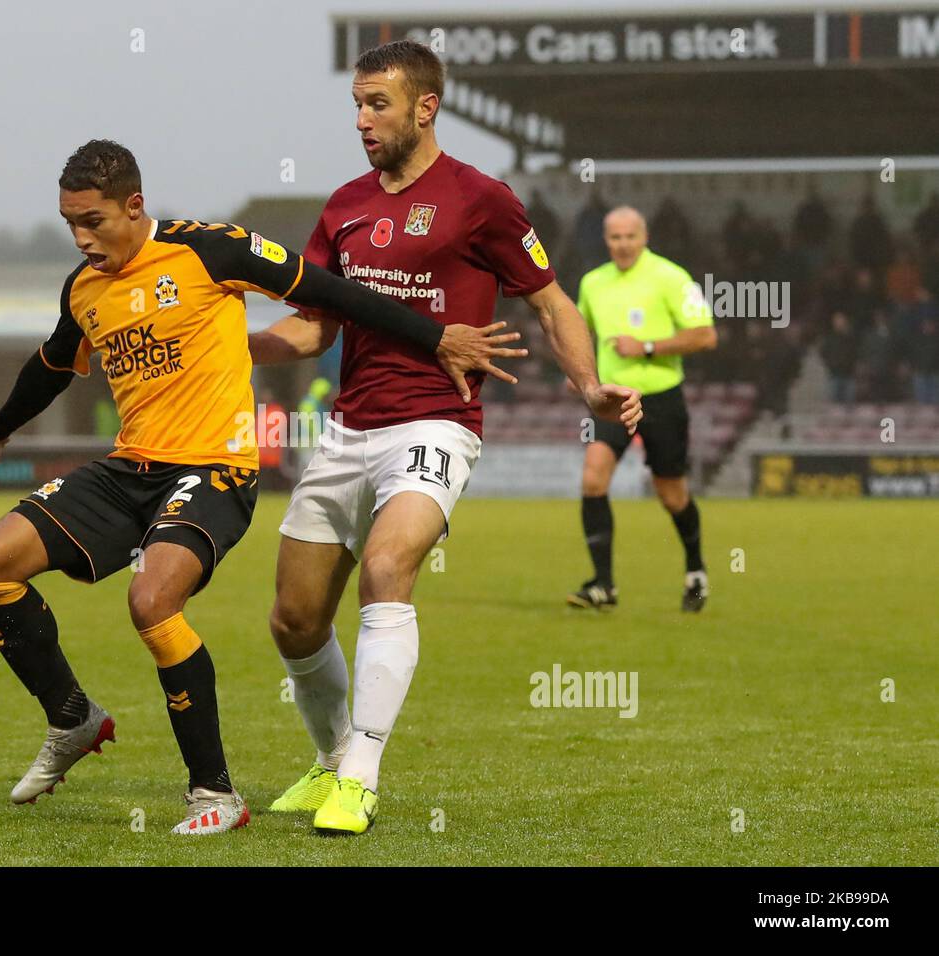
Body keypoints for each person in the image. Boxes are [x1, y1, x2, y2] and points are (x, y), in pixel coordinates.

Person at [0, 139, 515, 835]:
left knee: (151, 597)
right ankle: (72, 718)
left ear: (135, 206)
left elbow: (333, 292)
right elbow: (51, 362)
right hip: (130, 467)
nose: (82, 237)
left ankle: (214, 794)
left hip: (214, 470)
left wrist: (434, 338)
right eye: (70, 222)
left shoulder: (211, 249)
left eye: (94, 220)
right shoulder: (84, 286)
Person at [246, 40, 642, 835]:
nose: (361, 120)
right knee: (293, 620)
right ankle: (329, 763)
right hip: (349, 427)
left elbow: (551, 303)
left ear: (425, 106)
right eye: (356, 104)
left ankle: (361, 774)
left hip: (435, 422)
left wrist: (589, 387)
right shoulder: (344, 206)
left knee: (389, 567)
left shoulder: (481, 199)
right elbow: (312, 330)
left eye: (377, 104)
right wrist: (228, 341)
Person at [567, 206, 717, 613]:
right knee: (593, 479)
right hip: (614, 400)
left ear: (644, 236)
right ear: (605, 239)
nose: (622, 245)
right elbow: (582, 333)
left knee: (672, 495)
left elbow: (705, 335)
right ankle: (603, 585)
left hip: (662, 398)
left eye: (629, 237)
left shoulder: (670, 276)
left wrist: (646, 347)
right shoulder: (593, 283)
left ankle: (695, 571)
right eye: (615, 238)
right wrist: (580, 374)